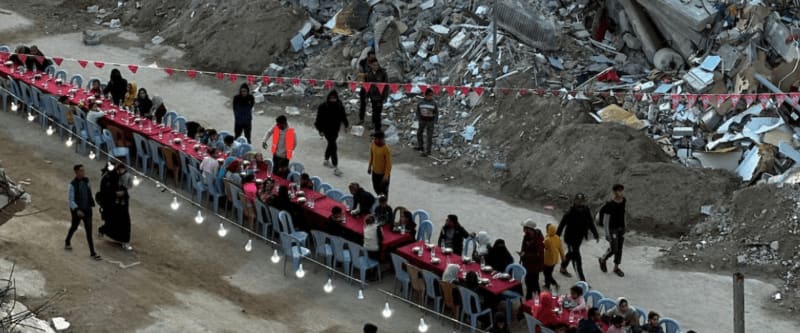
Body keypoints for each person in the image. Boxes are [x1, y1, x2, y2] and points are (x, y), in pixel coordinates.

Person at [557, 193, 599, 281]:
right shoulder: (570, 212)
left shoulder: (586, 209)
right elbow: (562, 224)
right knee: (576, 258)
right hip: (570, 239)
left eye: (581, 200)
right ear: (574, 201)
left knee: (570, 253)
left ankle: (563, 268)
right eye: (578, 200)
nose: (579, 202)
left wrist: (595, 234)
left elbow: (590, 222)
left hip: (579, 238)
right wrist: (556, 237)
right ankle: (582, 280)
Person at [65, 164, 101, 260]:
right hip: (78, 210)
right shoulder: (72, 185)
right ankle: (67, 241)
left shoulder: (87, 181)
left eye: (83, 170)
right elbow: (71, 200)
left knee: (89, 231)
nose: (83, 172)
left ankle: (92, 252)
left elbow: (89, 193)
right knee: (74, 227)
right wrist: (77, 210)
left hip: (87, 209)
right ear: (76, 172)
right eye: (81, 170)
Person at [98, 162, 133, 251]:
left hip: (122, 204)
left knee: (125, 222)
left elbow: (126, 187)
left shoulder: (121, 176)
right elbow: (105, 192)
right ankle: (103, 230)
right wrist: (115, 194)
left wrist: (123, 192)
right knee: (111, 221)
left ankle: (125, 240)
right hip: (111, 204)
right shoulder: (107, 178)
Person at [315, 90, 349, 176]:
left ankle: (326, 160)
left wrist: (346, 125)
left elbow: (343, 116)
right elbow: (318, 120)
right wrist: (320, 130)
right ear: (328, 98)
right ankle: (336, 166)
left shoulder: (339, 105)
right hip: (326, 129)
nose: (333, 100)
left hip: (335, 129)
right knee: (333, 146)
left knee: (331, 144)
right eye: (331, 98)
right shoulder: (323, 106)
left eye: (334, 98)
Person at [598, 184, 627, 277]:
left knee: (620, 249)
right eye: (619, 191)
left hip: (621, 228)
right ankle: (602, 259)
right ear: (614, 192)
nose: (621, 192)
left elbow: (623, 214)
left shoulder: (624, 200)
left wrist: (625, 226)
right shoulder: (609, 204)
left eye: (622, 190)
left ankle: (616, 268)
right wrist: (607, 234)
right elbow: (606, 221)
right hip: (612, 229)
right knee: (614, 248)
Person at [520, 219, 544, 299]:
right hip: (527, 264)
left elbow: (538, 255)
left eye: (525, 228)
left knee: (533, 284)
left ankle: (534, 300)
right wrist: (522, 254)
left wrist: (525, 255)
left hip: (534, 266)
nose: (523, 230)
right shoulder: (526, 237)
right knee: (529, 283)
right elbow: (523, 248)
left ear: (529, 229)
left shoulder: (538, 239)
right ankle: (531, 299)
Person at [364, 57, 389, 130]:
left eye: (377, 65)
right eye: (374, 65)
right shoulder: (369, 73)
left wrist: (385, 97)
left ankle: (377, 125)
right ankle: (373, 123)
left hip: (380, 96)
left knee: (378, 110)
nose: (376, 66)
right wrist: (367, 96)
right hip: (372, 95)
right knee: (374, 109)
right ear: (371, 65)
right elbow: (367, 86)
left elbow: (386, 86)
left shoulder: (383, 73)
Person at [367, 131, 392, 198]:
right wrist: (369, 166)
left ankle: (384, 202)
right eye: (375, 138)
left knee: (384, 191)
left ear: (382, 139)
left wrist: (386, 176)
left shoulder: (386, 149)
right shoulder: (373, 144)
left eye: (377, 139)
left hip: (383, 175)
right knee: (376, 188)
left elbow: (389, 164)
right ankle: (380, 199)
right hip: (375, 172)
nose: (375, 140)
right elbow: (371, 155)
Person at [416, 88, 439, 156]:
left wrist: (435, 121)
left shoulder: (434, 103)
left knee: (429, 136)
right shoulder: (420, 103)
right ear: (426, 95)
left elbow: (436, 112)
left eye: (432, 95)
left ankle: (428, 151)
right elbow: (417, 111)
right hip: (422, 120)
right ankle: (421, 147)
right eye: (430, 95)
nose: (431, 97)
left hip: (430, 121)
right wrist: (419, 119)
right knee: (419, 133)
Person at [543, 223, 566, 292]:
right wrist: (563, 257)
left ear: (548, 230)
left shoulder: (547, 240)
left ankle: (555, 284)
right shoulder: (557, 238)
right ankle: (547, 285)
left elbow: (544, 247)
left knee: (547, 274)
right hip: (555, 260)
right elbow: (560, 249)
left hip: (548, 260)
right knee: (549, 273)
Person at [357, 51, 377, 125]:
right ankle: (361, 119)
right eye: (371, 57)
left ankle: (373, 122)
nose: (373, 59)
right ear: (368, 57)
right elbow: (360, 74)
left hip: (373, 86)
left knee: (374, 104)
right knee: (362, 103)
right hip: (364, 85)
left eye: (373, 57)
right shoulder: (362, 62)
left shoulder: (375, 62)